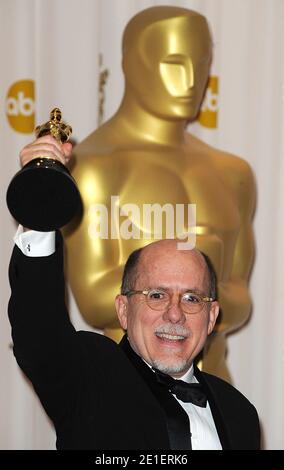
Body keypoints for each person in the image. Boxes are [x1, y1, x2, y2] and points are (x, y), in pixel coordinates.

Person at [8, 138, 260, 449]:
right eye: (156, 295)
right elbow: (40, 333)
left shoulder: (241, 414)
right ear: (124, 310)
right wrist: (40, 204)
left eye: (192, 298)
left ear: (211, 318)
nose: (175, 312)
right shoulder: (90, 377)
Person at [63, 6, 256, 382]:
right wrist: (197, 270)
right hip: (129, 392)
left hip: (216, 390)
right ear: (132, 65)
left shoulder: (233, 173)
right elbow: (93, 299)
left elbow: (241, 299)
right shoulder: (94, 166)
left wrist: (199, 279)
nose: (189, 81)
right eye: (173, 63)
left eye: (200, 65)